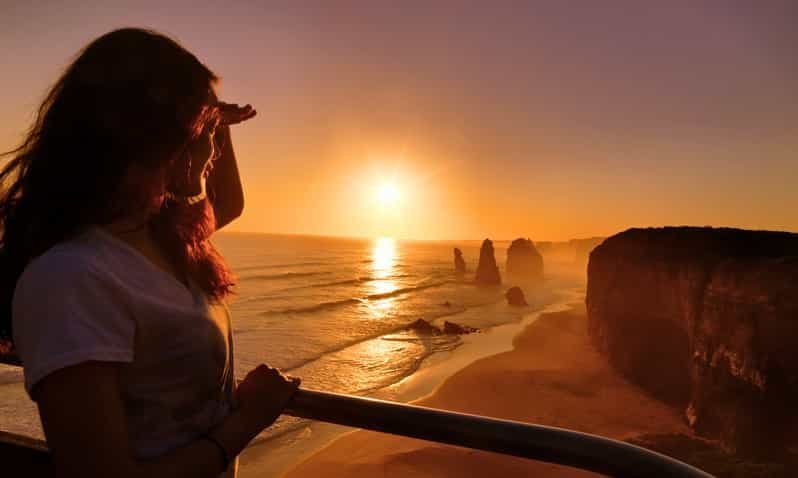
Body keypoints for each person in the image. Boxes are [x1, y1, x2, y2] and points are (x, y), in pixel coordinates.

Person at [0, 28, 299, 477]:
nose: (212, 146)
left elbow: (227, 204)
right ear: (154, 139)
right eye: (205, 129)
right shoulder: (72, 277)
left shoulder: (159, 237)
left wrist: (217, 128)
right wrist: (247, 421)